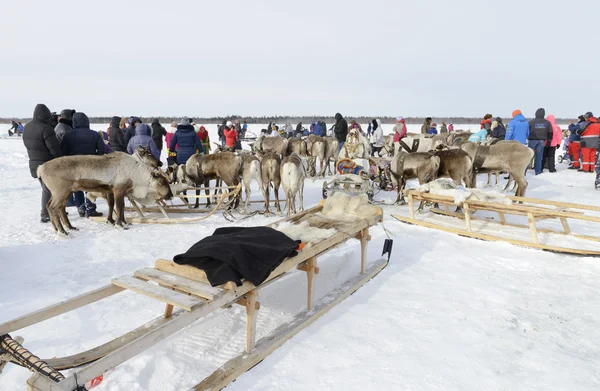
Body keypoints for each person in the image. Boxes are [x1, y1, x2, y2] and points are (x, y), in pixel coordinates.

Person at [22, 104, 63, 223]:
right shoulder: (46, 128)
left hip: (34, 162)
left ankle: (54, 210)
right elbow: (54, 148)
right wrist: (62, 161)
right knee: (48, 189)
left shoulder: (27, 127)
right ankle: (45, 213)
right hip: (47, 165)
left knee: (46, 188)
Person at [60, 112, 106, 217]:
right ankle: (90, 209)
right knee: (90, 187)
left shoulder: (68, 135)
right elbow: (101, 150)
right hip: (91, 166)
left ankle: (80, 207)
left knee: (77, 187)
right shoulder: (94, 134)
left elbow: (62, 151)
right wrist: (96, 159)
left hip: (74, 167)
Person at [528, 108, 553, 175]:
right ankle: (538, 171)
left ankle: (523, 171)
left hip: (532, 140)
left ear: (536, 113)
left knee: (528, 156)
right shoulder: (547, 123)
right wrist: (549, 142)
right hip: (541, 141)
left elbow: (527, 131)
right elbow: (550, 133)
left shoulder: (531, 122)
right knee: (539, 157)